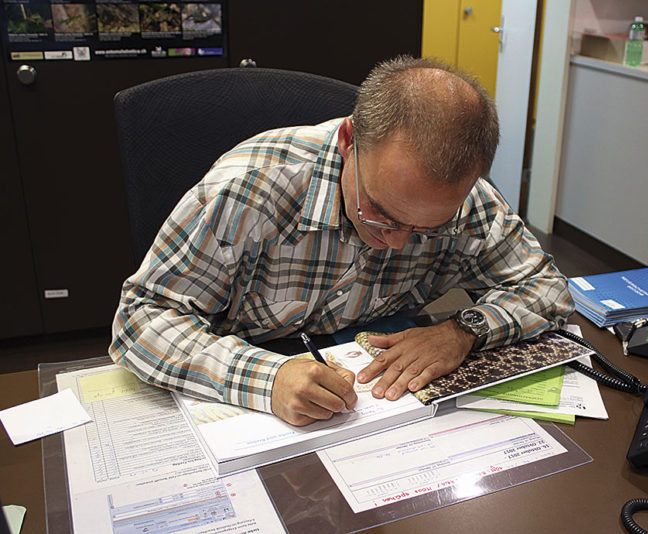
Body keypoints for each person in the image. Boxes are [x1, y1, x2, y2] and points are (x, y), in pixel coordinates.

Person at [109, 56, 574, 426]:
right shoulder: (251, 186)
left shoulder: (469, 203)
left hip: (367, 391)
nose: (394, 243)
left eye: (427, 229)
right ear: (350, 140)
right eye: (382, 213)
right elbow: (140, 318)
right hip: (248, 392)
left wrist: (463, 330)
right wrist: (265, 378)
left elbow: (548, 288)